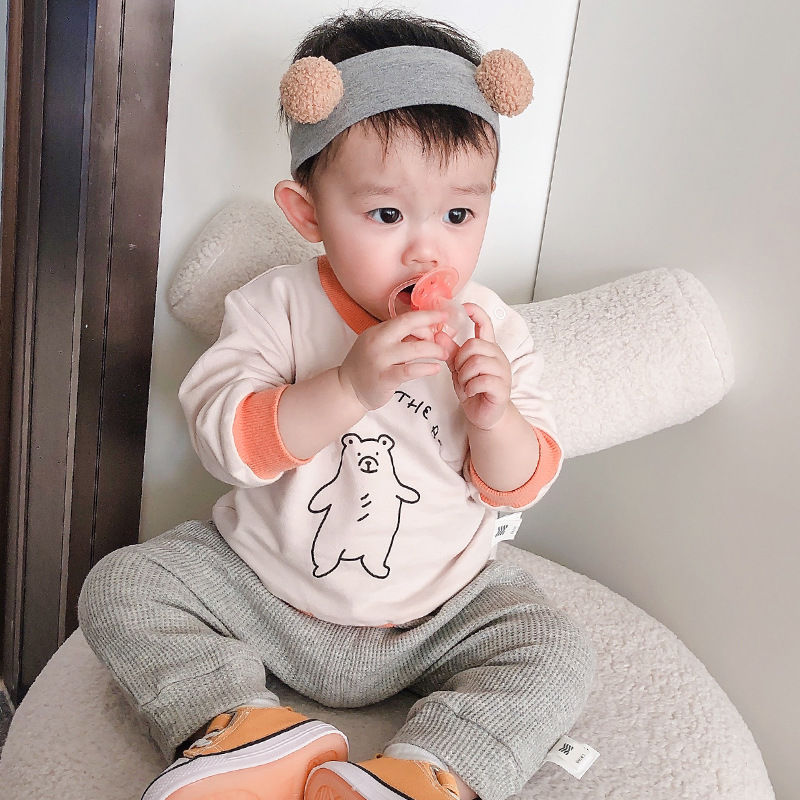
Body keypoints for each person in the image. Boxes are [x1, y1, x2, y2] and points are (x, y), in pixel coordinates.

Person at [78, 9, 595, 800]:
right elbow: (227, 442)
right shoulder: (276, 305)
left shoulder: (492, 329)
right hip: (264, 591)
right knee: (121, 585)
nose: (427, 248)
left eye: (459, 215)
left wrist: (496, 420)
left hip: (436, 612)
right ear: (307, 213)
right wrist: (348, 386)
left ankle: (425, 771)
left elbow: (521, 483)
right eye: (386, 215)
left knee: (555, 649)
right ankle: (243, 727)